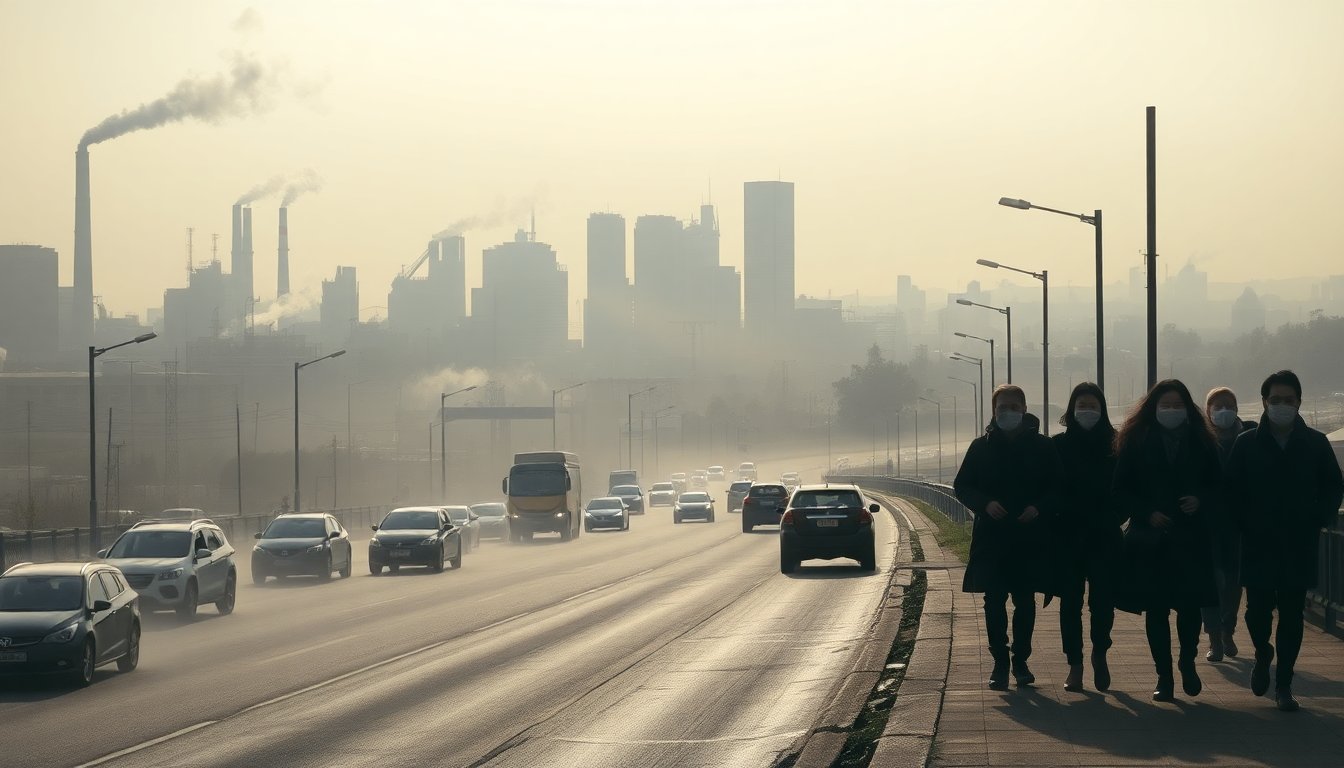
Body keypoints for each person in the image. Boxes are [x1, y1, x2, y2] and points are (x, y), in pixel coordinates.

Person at [1225, 370, 1344, 712]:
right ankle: (1263, 653)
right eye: (1275, 400)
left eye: (1288, 401)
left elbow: (1334, 486)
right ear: (1264, 402)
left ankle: (1285, 685)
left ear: (1299, 403)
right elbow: (1230, 490)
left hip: (1298, 541)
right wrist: (1241, 523)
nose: (1281, 406)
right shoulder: (1246, 444)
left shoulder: (1315, 443)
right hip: (1257, 541)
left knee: (1292, 613)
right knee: (1257, 612)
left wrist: (1318, 516)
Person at [1113, 379, 1221, 702]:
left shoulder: (1202, 440)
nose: (1172, 411)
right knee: (1156, 611)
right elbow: (1120, 489)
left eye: (1178, 405)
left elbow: (1218, 485)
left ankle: (1187, 663)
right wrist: (1146, 513)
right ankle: (1164, 675)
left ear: (1188, 408)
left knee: (1189, 609)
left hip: (1190, 538)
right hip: (1151, 541)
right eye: (1166, 405)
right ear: (1153, 407)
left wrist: (1200, 499)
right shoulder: (1135, 440)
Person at [954, 384, 1060, 690]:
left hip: (1029, 537)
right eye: (1003, 407)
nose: (1008, 412)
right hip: (992, 538)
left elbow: (1058, 488)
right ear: (993, 411)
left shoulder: (1043, 447)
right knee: (994, 600)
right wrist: (984, 504)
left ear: (1025, 409)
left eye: (1014, 407)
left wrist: (1038, 508)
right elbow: (962, 486)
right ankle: (1000, 662)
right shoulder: (980, 447)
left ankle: (1021, 661)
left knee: (1025, 601)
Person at [1051, 382, 1122, 693]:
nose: (1087, 411)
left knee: (1103, 602)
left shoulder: (1117, 444)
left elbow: (1125, 489)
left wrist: (1113, 517)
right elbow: (1050, 489)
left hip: (1105, 535)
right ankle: (1075, 664)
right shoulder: (1058, 446)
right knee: (1070, 603)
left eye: (1093, 406)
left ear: (1102, 410)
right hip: (1068, 537)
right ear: (1071, 409)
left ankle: (1100, 652)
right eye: (1081, 406)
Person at [1201, 387, 1257, 662]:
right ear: (1208, 411)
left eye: (1229, 405)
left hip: (1239, 525)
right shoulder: (1201, 441)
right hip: (1207, 524)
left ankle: (1227, 630)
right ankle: (1214, 638)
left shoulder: (1249, 437)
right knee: (1211, 581)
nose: (1223, 411)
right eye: (1217, 406)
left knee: (1233, 583)